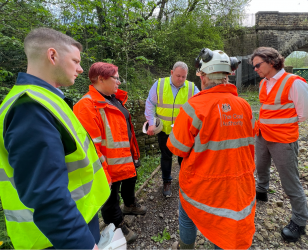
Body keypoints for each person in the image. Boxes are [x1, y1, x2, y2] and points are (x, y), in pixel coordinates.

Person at [0, 28, 110, 249]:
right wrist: (82, 244)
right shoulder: (30, 108)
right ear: (52, 56)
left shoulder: (45, 100)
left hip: (71, 224)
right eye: (75, 60)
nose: (80, 68)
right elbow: (47, 194)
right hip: (56, 238)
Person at [167, 49, 256, 249]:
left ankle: (185, 247)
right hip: (238, 182)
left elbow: (178, 148)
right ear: (227, 76)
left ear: (205, 76)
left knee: (187, 215)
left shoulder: (193, 107)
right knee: (225, 227)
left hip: (201, 184)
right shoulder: (245, 106)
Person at [73, 62, 146, 244]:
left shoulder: (113, 98)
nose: (119, 82)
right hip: (108, 164)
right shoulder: (87, 105)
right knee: (110, 195)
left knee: (130, 181)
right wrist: (104, 173)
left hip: (124, 157)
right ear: (100, 79)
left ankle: (129, 206)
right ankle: (116, 223)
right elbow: (92, 147)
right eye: (116, 78)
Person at [251, 47, 308, 242]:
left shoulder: (294, 83)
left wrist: (282, 125)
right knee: (260, 167)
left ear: (271, 62)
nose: (255, 69)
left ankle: (300, 221)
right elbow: (267, 108)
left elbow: (305, 114)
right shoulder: (263, 83)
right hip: (262, 135)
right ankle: (261, 192)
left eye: (257, 65)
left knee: (289, 181)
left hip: (283, 140)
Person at [145, 61, 199, 197]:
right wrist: (151, 123)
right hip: (164, 130)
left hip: (184, 131)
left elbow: (200, 106)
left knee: (184, 157)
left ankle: (184, 180)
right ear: (171, 73)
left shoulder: (192, 88)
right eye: (178, 76)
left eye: (184, 77)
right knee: (166, 157)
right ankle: (167, 181)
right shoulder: (159, 84)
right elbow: (150, 104)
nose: (181, 79)